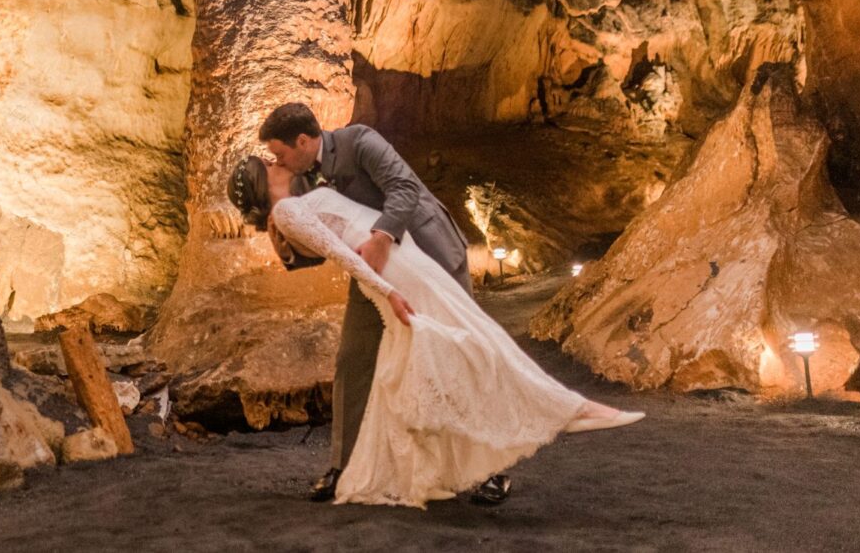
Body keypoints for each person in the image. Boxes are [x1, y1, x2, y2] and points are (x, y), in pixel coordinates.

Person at [230, 104, 641, 506]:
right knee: (354, 361)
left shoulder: (360, 141)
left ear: (302, 140)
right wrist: (282, 242)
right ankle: (345, 466)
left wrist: (382, 237)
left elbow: (405, 189)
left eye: (278, 154)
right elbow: (322, 242)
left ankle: (490, 471)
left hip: (428, 251)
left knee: (460, 355)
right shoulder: (301, 179)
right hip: (374, 272)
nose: (275, 160)